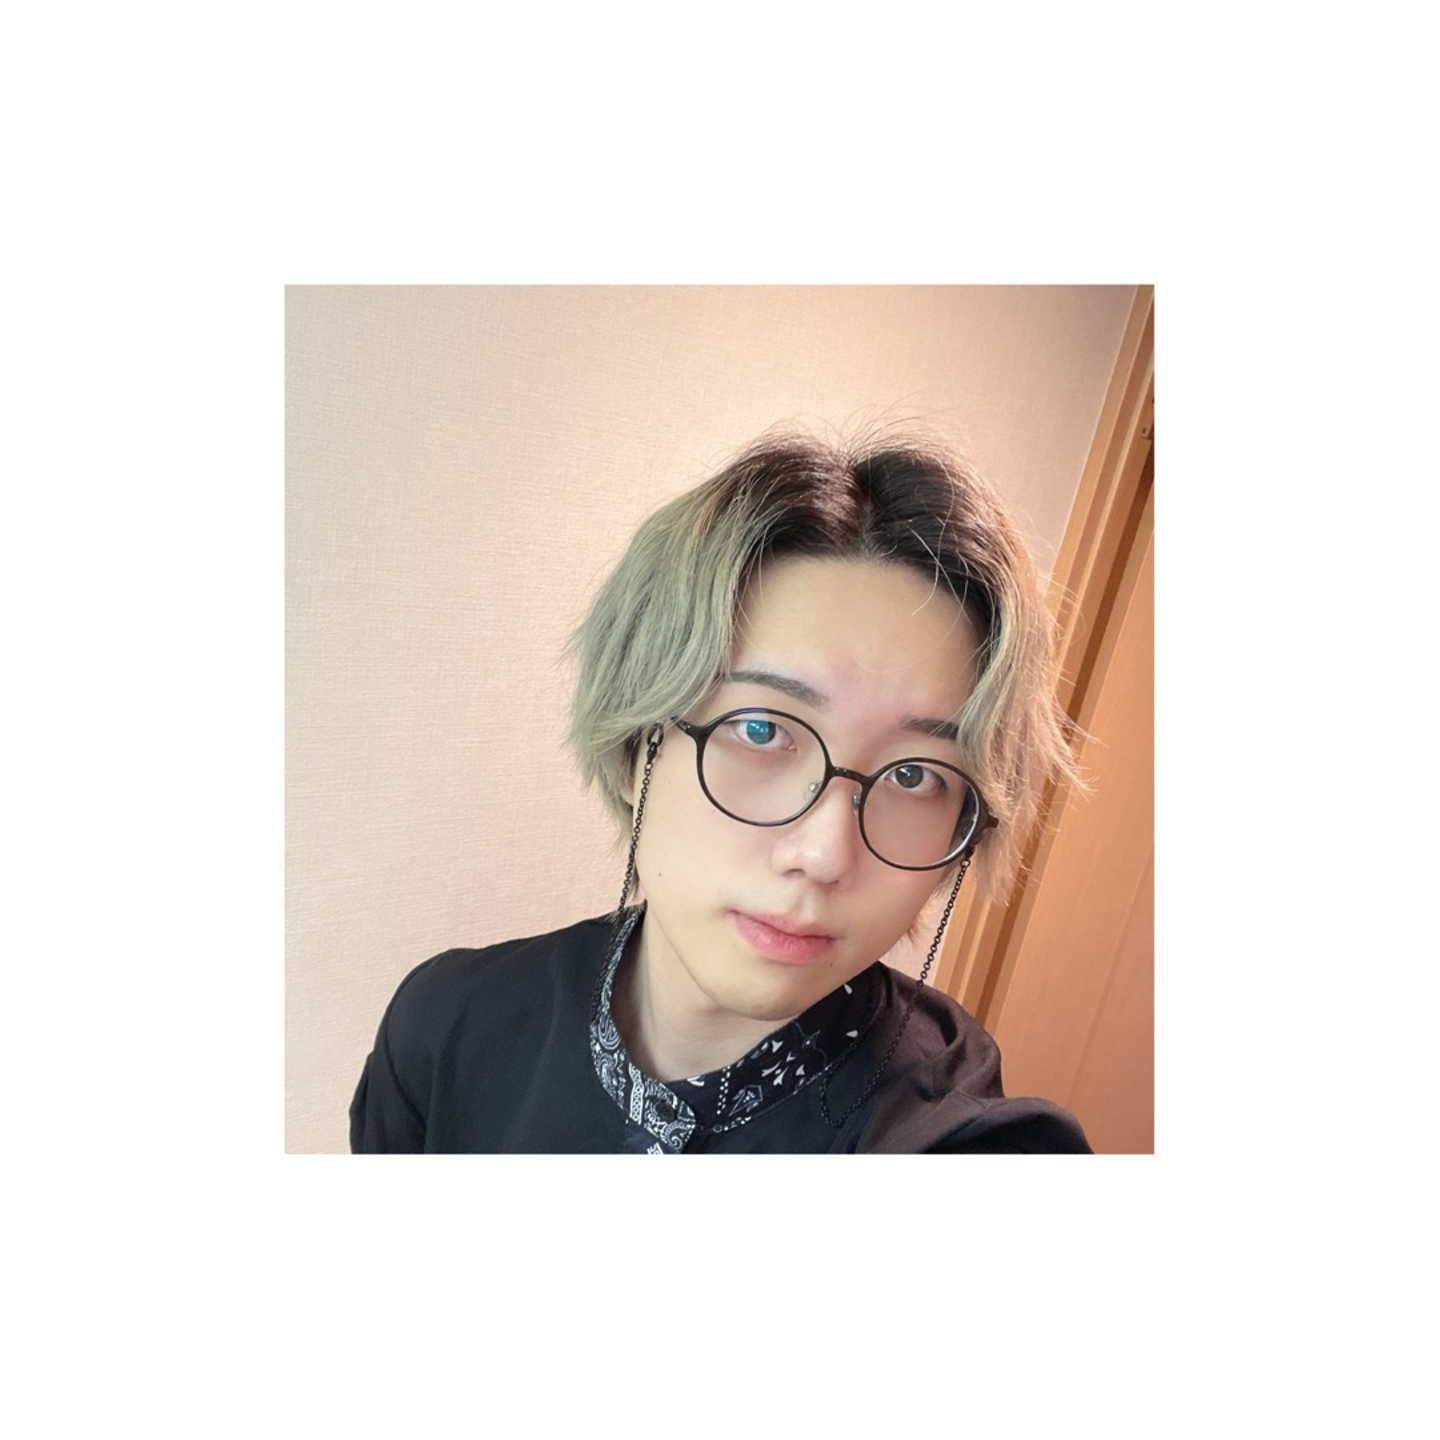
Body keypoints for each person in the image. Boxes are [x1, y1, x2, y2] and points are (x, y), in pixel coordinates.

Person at [350, 431, 1092, 1153]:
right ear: (639, 739)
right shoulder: (446, 1029)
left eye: (914, 775)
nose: (824, 854)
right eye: (761, 730)